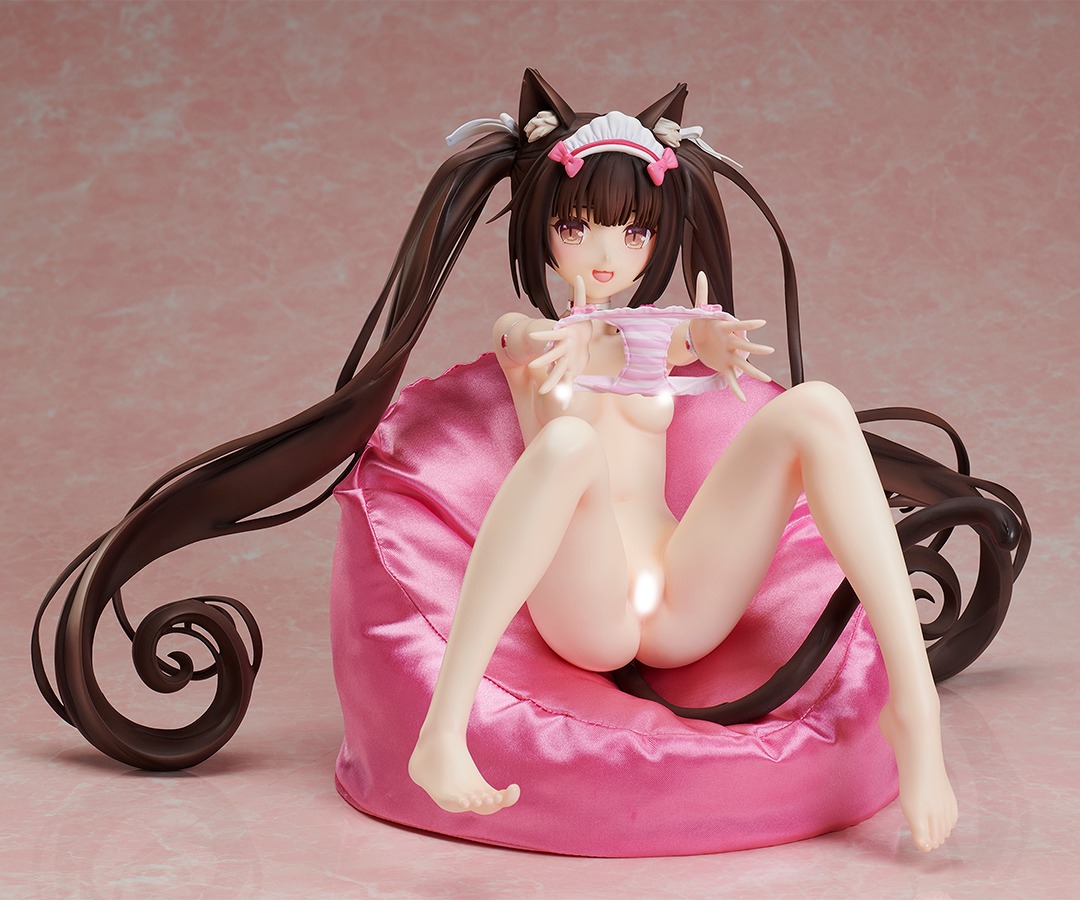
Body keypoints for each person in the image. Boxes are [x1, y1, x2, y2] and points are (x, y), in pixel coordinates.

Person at [40, 70, 994, 853]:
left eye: (631, 232)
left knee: (819, 408)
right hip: (592, 613)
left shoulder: (655, 337)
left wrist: (704, 341)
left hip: (683, 600)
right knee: (570, 440)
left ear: (657, 239)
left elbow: (685, 343)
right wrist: (559, 351)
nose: (606, 254)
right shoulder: (523, 335)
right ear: (543, 230)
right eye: (578, 228)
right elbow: (532, 344)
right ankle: (443, 728)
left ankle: (913, 706)